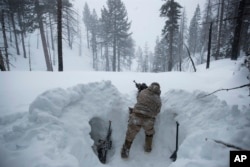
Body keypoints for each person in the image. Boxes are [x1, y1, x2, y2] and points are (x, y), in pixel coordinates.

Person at [121, 82, 162, 159]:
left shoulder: (143, 92)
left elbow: (138, 99)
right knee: (149, 133)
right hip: (148, 120)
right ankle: (148, 148)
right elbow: (157, 111)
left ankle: (125, 152)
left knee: (130, 134)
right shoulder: (158, 99)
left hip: (136, 116)